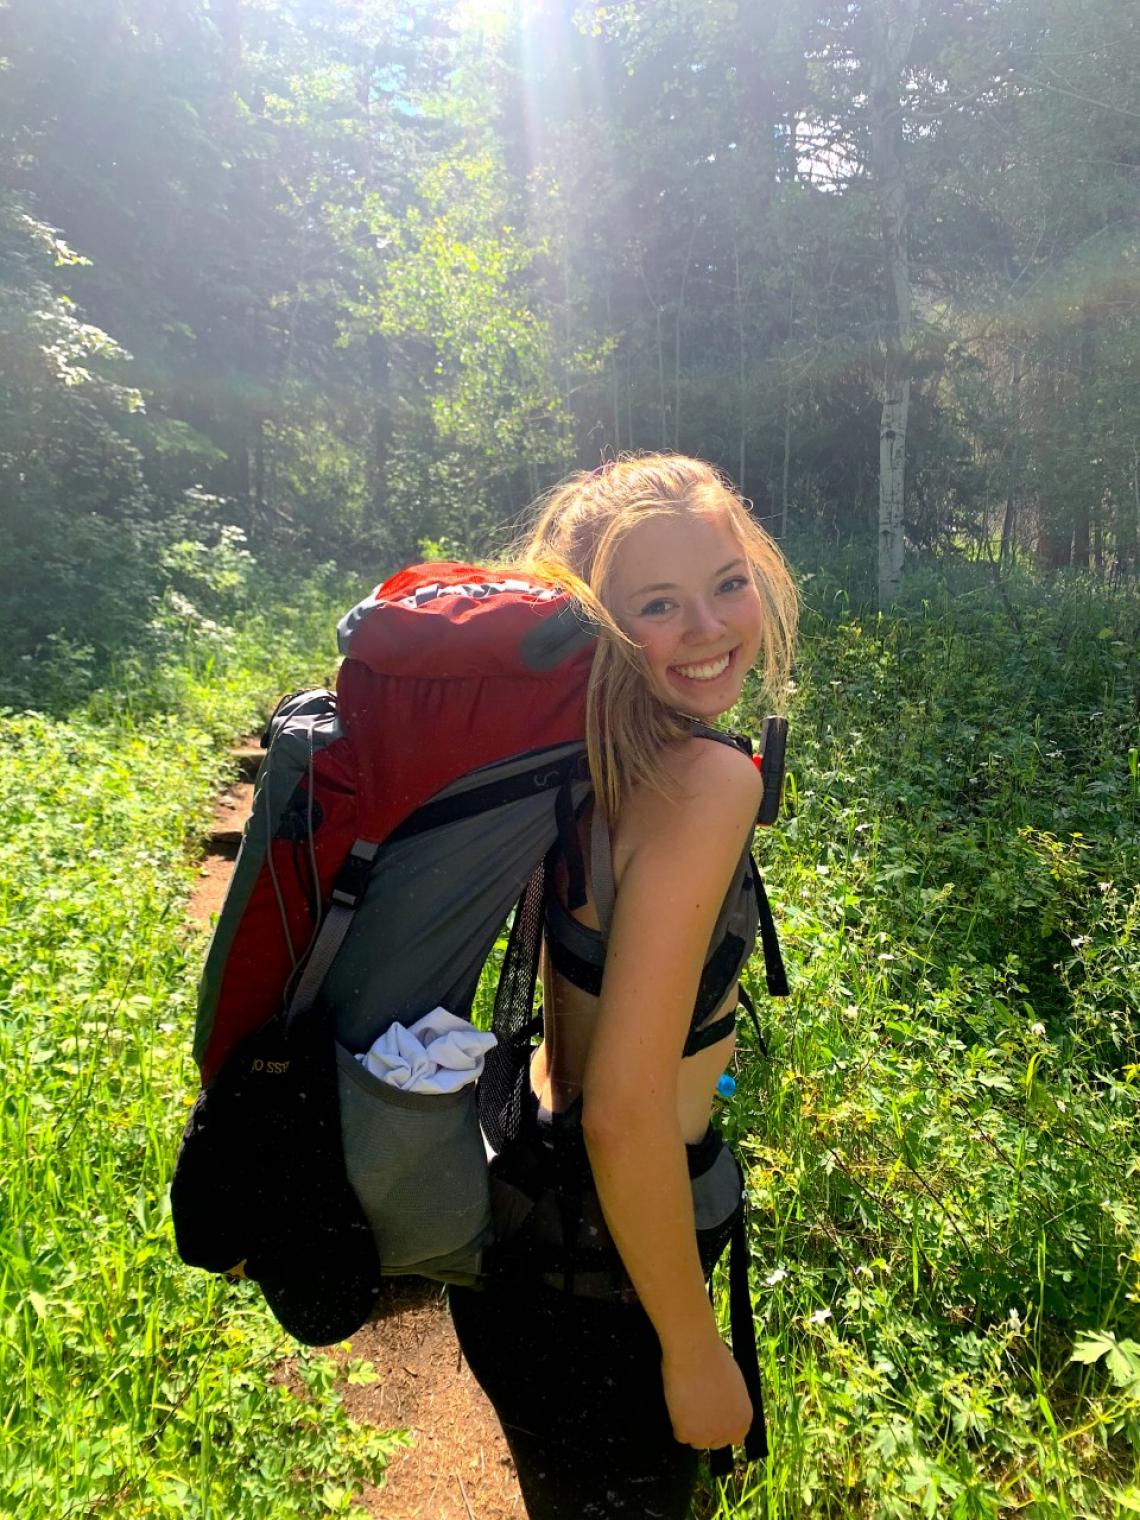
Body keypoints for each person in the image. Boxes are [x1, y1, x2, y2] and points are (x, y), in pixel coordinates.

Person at [449, 453, 798, 1519]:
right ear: (601, 624)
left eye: (728, 582)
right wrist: (692, 1354)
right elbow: (627, 1113)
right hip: (609, 1289)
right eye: (659, 603)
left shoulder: (578, 754)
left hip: (518, 1229)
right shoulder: (705, 783)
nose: (708, 624)